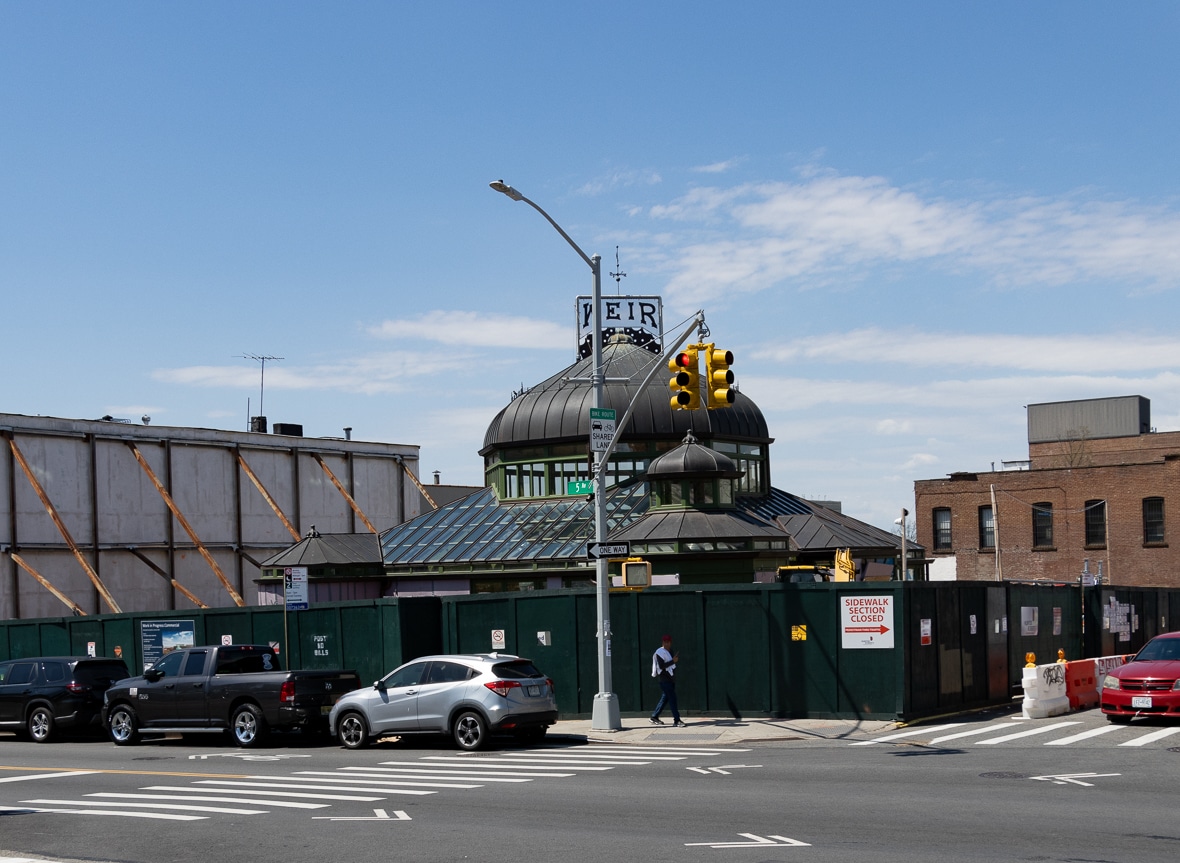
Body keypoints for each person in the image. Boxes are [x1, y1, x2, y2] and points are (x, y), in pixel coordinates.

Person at [650, 634, 686, 726]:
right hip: (664, 680)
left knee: (664, 699)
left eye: (668, 642)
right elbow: (661, 666)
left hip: (670, 679)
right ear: (662, 642)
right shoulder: (659, 652)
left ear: (670, 642)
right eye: (665, 642)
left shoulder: (670, 651)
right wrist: (673, 661)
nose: (666, 644)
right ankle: (677, 720)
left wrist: (673, 662)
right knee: (672, 699)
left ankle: (654, 716)